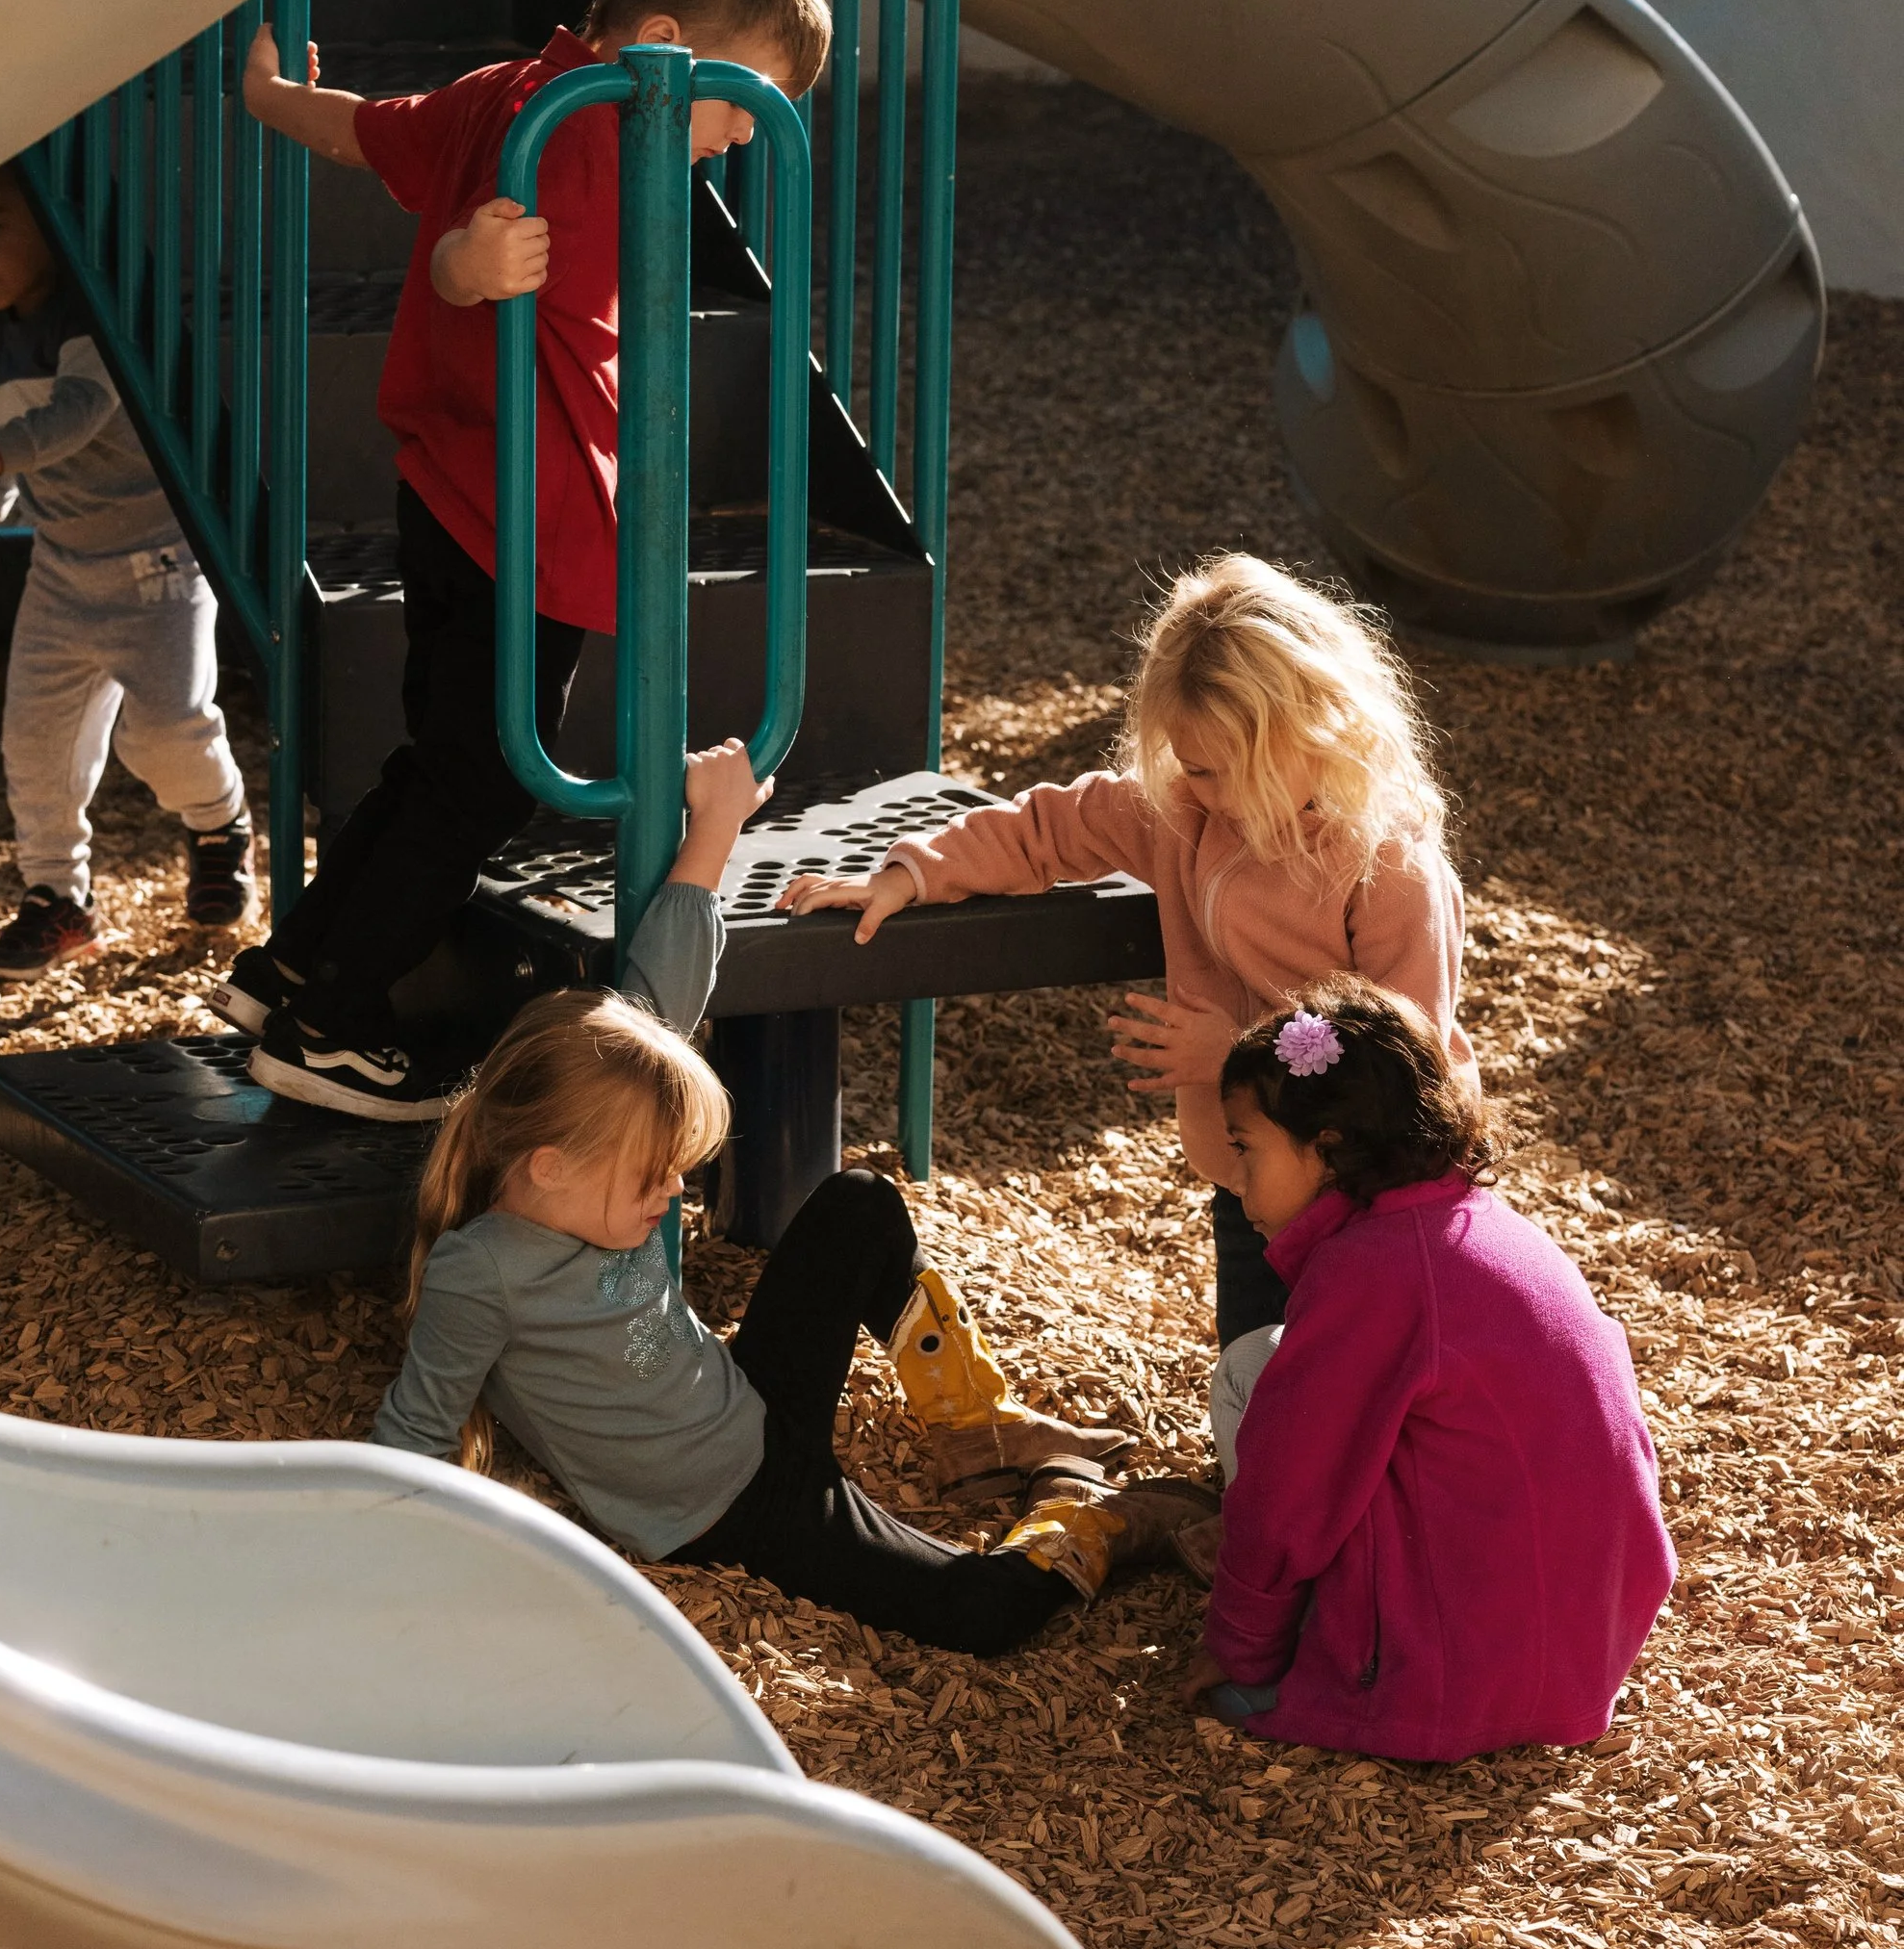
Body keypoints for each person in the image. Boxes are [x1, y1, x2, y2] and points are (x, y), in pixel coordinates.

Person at [372, 739, 1213, 1656]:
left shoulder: (596, 1148)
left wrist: (720, 822)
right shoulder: (481, 1272)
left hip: (749, 1395)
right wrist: (390, 1576)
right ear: (546, 1166)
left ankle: (976, 1428)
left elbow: (662, 998)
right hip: (737, 1509)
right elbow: (415, 1428)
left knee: (856, 1201)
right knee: (981, 1613)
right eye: (653, 1175)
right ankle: (1085, 1522)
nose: (670, 1192)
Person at [222, 0, 832, 1123]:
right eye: (738, 103)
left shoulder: (511, 90)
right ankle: (332, 1023)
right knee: (488, 778)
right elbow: (468, 247)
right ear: (661, 47)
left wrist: (269, 99)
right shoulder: (595, 134)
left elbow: (363, 131)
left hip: (448, 488)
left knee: (440, 755)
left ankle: (292, 965)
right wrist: (460, 265)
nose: (739, 137)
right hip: (525, 514)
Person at [778, 553, 1474, 1369]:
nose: (1195, 787)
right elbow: (1049, 828)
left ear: (1310, 735)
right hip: (1252, 1179)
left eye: (1215, 769)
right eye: (1186, 764)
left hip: (1374, 1197)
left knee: (1356, 1378)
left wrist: (1235, 1056)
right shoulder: (1186, 812)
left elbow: (1404, 1064)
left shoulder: (1383, 866)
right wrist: (912, 873)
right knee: (1257, 1375)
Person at [1179, 977, 1672, 1760]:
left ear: (1330, 1147)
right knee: (1271, 1364)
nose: (1236, 1179)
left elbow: (1287, 1491)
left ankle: (1308, 1655)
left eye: (1246, 1148)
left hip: (1446, 1687)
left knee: (1250, 1373)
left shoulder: (1368, 1273)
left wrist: (1239, 1646)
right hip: (1585, 1657)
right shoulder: (1487, 1225)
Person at [0, 167, 254, 979]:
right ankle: (57, 897)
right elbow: (3, 462)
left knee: (166, 729)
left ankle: (218, 821)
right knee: (35, 742)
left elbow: (75, 415)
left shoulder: (91, 317)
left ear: (53, 229)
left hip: (154, 566)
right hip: (62, 569)